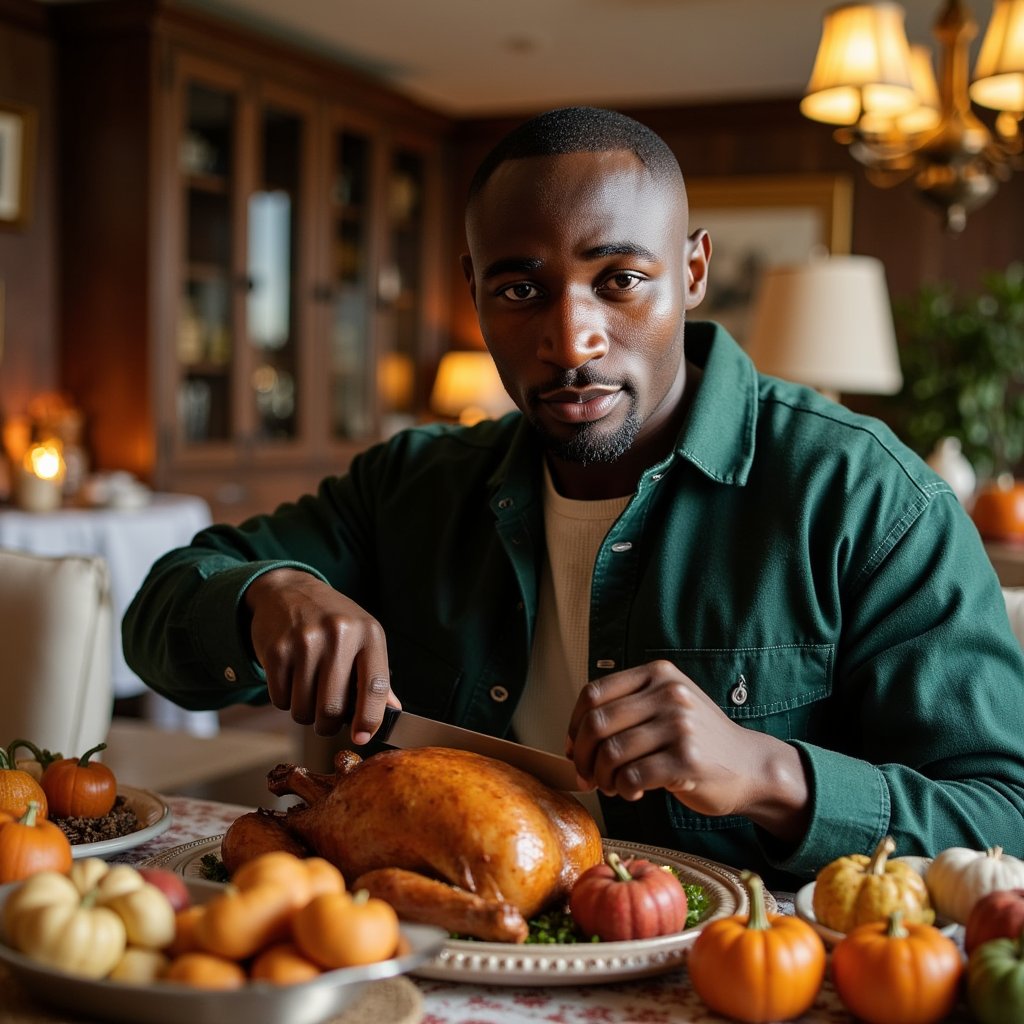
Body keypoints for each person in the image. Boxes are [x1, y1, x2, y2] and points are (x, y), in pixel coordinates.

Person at [124, 106, 1024, 889]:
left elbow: (1004, 820)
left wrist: (768, 772)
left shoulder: (868, 497)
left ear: (694, 272)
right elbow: (159, 615)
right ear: (474, 293)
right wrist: (264, 595)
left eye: (620, 279)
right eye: (520, 289)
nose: (571, 338)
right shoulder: (411, 484)